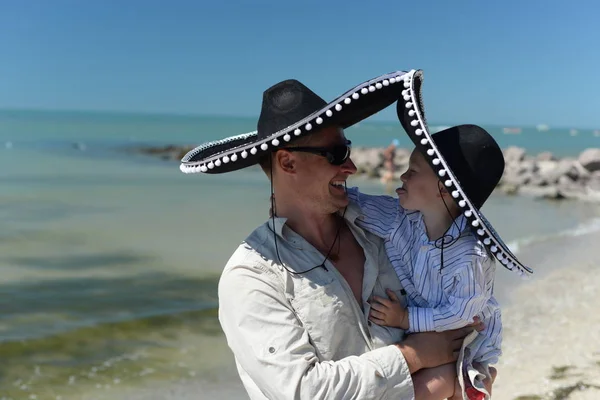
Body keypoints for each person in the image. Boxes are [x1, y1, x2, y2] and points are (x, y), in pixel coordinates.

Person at [179, 70, 494, 399]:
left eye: (348, 148)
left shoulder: (392, 231)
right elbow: (304, 391)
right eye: (337, 154)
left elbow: (464, 318)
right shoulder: (252, 277)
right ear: (287, 163)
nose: (352, 167)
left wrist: (475, 364)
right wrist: (414, 355)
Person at [348, 70, 533, 400]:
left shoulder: (470, 256)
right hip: (425, 331)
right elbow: (364, 207)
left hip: (464, 339)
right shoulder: (404, 219)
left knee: (426, 389)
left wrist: (406, 317)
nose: (402, 175)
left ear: (443, 191)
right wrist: (334, 197)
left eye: (414, 171)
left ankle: (465, 388)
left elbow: (461, 313)